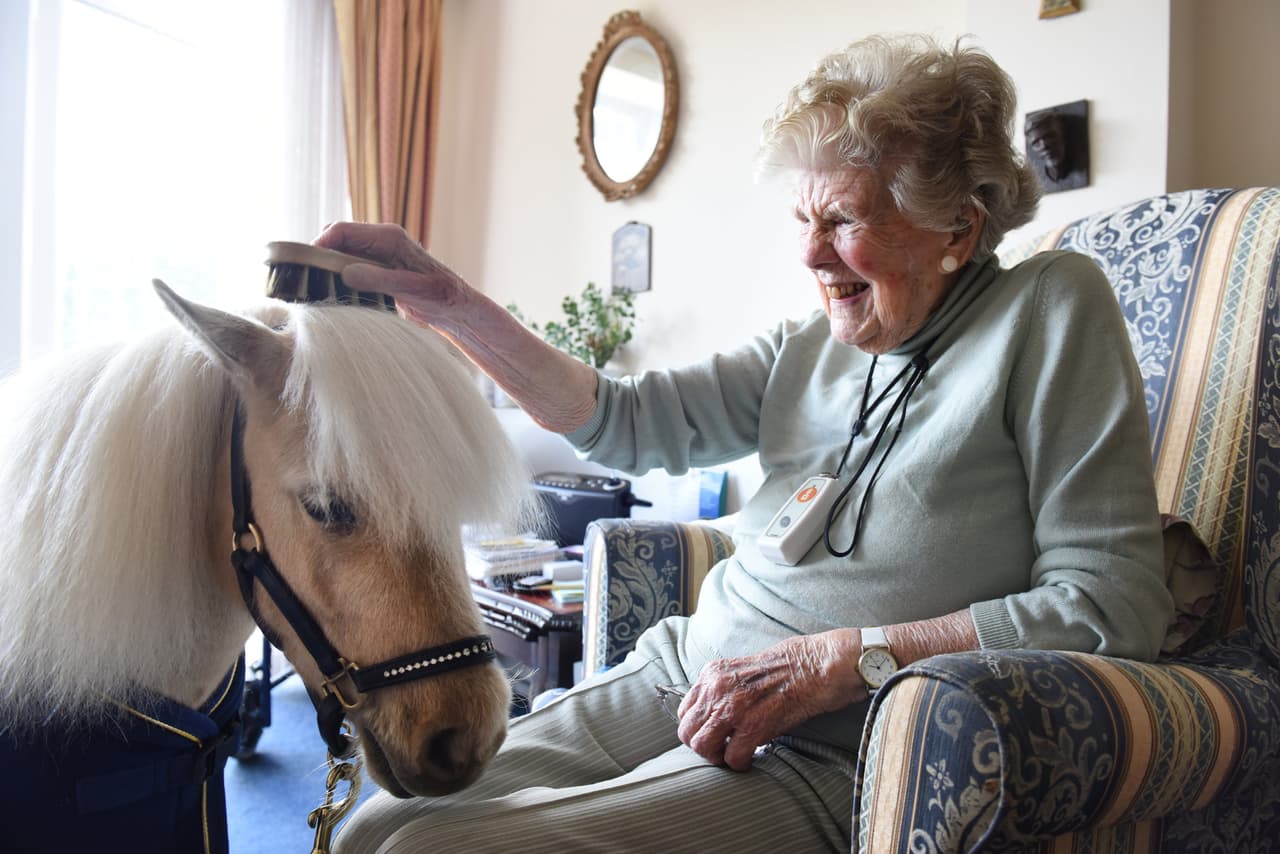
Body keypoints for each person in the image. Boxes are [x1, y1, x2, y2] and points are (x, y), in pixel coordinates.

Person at [319, 34, 1173, 854]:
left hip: (831, 744)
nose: (810, 253)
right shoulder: (811, 344)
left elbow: (1112, 606)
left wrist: (849, 661)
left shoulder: (1048, 309)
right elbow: (625, 420)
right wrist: (450, 304)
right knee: (375, 826)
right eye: (803, 217)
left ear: (957, 227)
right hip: (683, 671)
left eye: (842, 219)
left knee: (429, 847)